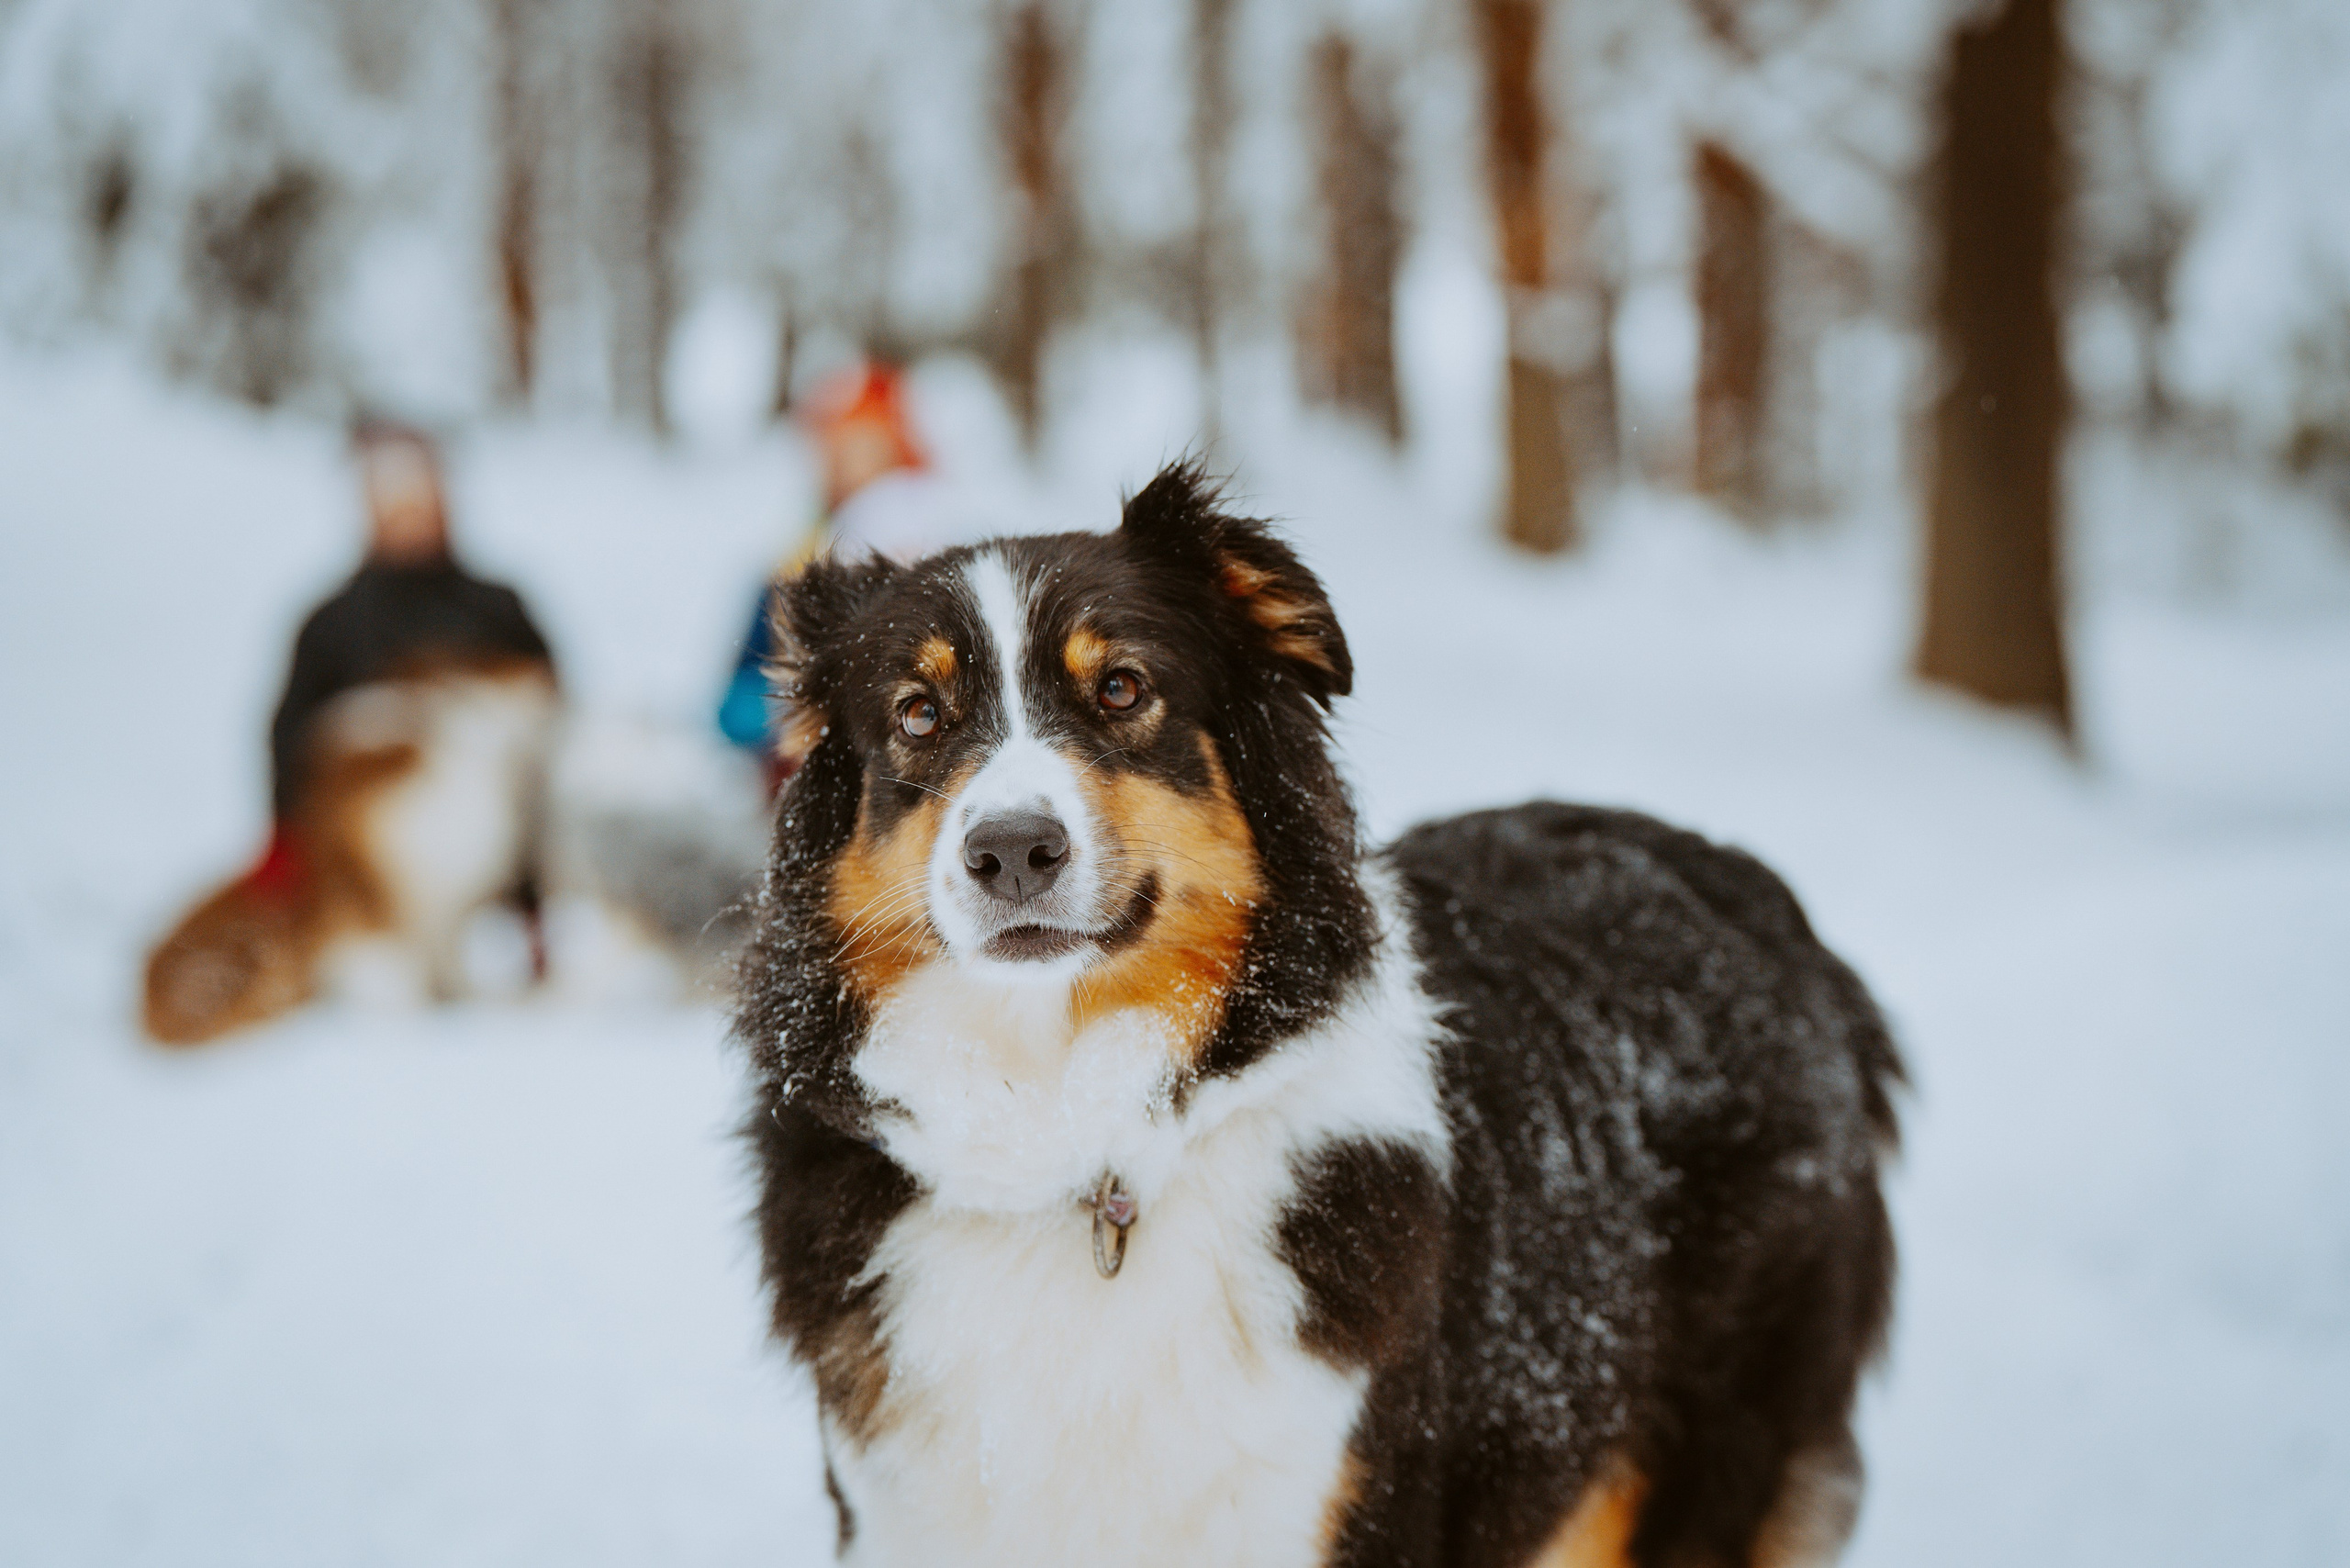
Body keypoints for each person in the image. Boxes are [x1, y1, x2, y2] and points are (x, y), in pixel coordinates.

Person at [718, 362, 968, 784]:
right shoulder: (792, 570)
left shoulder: (948, 540)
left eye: (867, 443)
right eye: (838, 445)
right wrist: (801, 709)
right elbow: (731, 711)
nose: (849, 461)